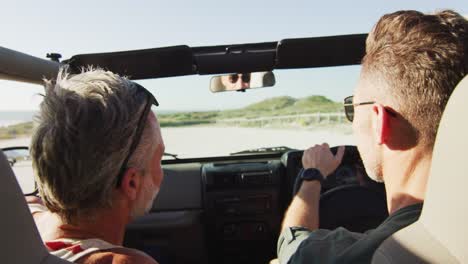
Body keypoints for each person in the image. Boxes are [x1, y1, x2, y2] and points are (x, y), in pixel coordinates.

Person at [278, 10, 468, 264]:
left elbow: (291, 244)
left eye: (353, 108)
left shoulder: (373, 254)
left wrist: (312, 176)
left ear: (380, 121)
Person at [27, 68, 164, 264]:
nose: (162, 172)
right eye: (158, 159)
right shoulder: (124, 262)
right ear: (132, 183)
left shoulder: (25, 215)